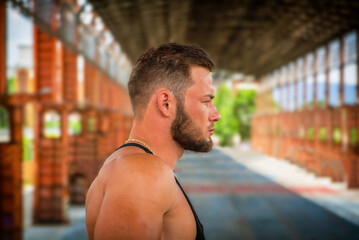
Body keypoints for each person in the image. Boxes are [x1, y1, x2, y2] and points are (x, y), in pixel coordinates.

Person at [85, 43, 221, 240]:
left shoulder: (126, 166)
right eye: (206, 101)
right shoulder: (140, 174)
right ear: (165, 103)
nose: (216, 115)